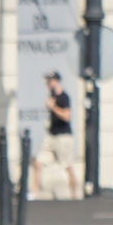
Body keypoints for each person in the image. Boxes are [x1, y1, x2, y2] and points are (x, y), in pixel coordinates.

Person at [40, 71, 79, 199]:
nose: (48, 84)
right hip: (52, 135)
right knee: (39, 162)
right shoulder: (51, 96)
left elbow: (67, 116)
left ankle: (75, 195)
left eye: (50, 81)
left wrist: (53, 107)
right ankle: (34, 194)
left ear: (56, 81)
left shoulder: (64, 97)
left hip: (63, 136)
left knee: (68, 166)